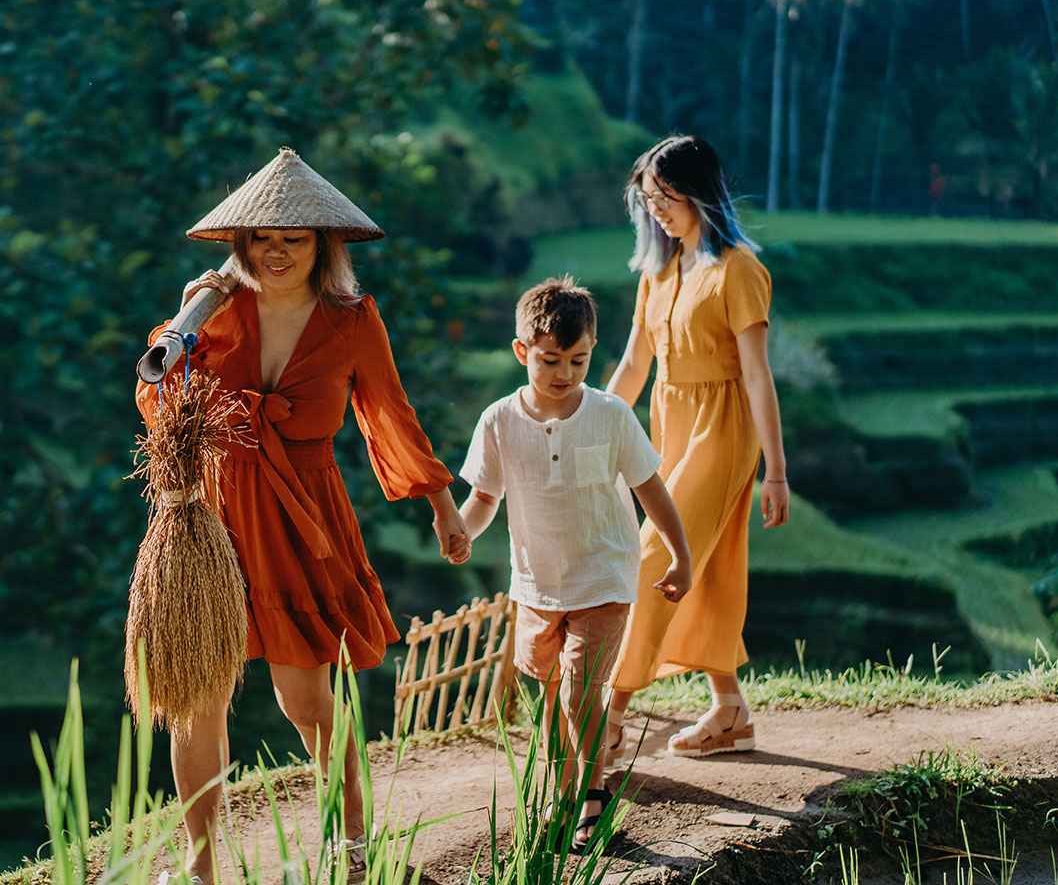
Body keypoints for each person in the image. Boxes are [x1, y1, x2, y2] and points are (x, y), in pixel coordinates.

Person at [135, 149, 471, 885]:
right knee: (197, 699)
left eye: (295, 235)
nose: (276, 249)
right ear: (240, 244)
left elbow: (392, 414)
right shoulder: (209, 315)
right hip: (209, 521)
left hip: (301, 517)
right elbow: (157, 402)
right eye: (261, 236)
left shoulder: (352, 322)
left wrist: (440, 501)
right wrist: (189, 309)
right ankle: (199, 868)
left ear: (326, 243)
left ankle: (352, 848)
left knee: (306, 700)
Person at [454, 276, 693, 850]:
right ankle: (566, 784)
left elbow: (650, 488)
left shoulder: (610, 415)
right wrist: (462, 530)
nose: (564, 374)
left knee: (580, 693)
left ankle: (590, 794)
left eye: (579, 361)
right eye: (551, 360)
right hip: (536, 584)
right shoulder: (498, 421)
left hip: (603, 576)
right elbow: (485, 497)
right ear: (522, 353)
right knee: (547, 690)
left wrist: (681, 555)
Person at [602, 134, 790, 764]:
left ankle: (610, 712)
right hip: (669, 423)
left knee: (656, 554)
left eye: (666, 196)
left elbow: (759, 375)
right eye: (648, 199)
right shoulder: (657, 273)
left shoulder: (739, 270)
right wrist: (590, 426)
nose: (656, 209)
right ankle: (730, 710)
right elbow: (633, 364)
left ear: (699, 192)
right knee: (703, 567)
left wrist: (777, 473)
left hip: (724, 428)